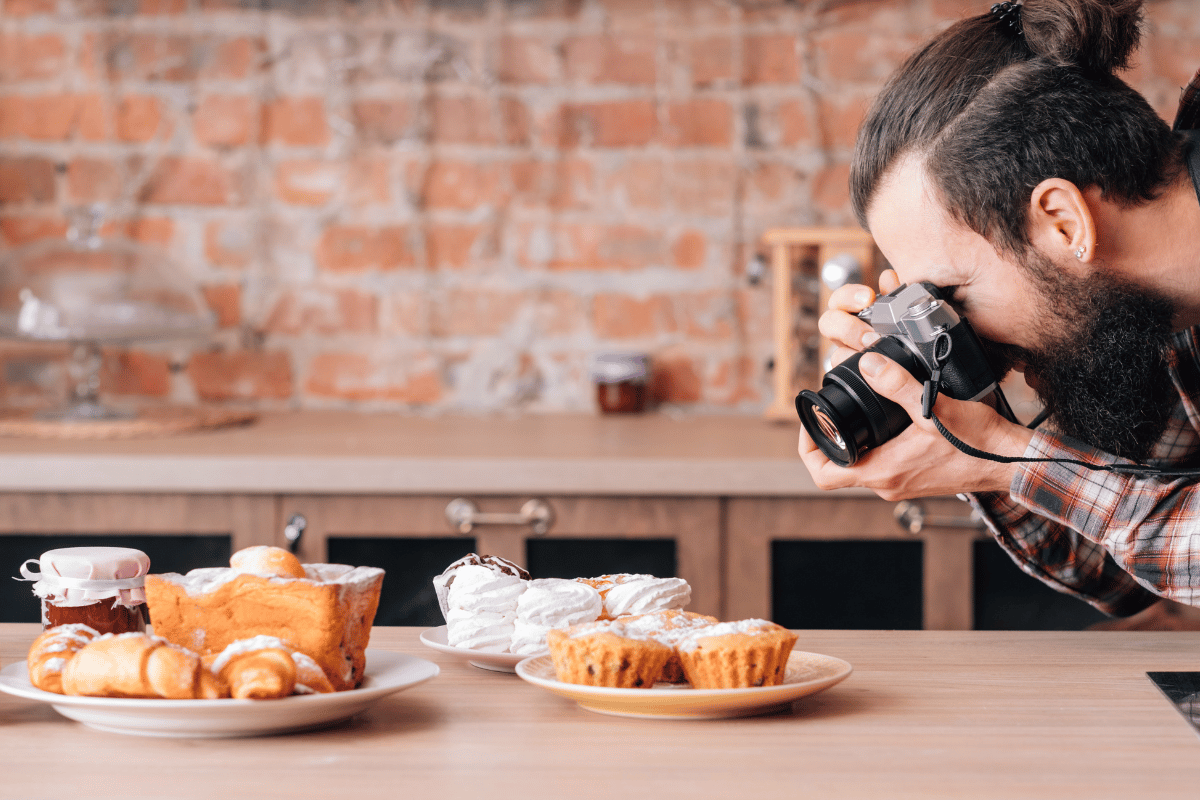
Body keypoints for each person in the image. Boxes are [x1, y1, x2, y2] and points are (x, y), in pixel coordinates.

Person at [799, 0, 1200, 627]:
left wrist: (1013, 457)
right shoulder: (1151, 316)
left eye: (951, 296)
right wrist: (967, 432)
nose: (954, 327)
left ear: (1063, 223)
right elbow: (1140, 577)